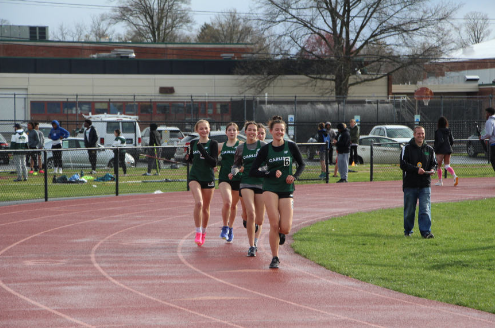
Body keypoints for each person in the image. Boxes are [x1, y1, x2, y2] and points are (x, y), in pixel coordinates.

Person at [250, 115, 305, 269]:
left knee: (285, 227)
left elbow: (301, 165)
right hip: (270, 188)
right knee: (274, 224)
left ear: (284, 132)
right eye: (277, 130)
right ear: (271, 131)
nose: (279, 132)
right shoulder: (265, 149)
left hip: (286, 189)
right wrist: (269, 173)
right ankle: (275, 257)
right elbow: (254, 170)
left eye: (282, 130)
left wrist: (294, 177)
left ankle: (281, 234)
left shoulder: (291, 146)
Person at [230, 121, 266, 257]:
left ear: (257, 132)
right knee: (251, 213)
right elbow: (236, 165)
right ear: (245, 132)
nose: (252, 132)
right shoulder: (240, 148)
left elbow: (270, 164)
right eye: (249, 130)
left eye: (254, 130)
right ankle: (251, 246)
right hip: (246, 182)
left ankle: (256, 240)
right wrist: (233, 171)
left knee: (260, 220)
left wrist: (258, 170)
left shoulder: (263, 146)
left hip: (261, 183)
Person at [400, 126, 437, 239]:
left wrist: (432, 170)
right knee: (410, 210)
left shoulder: (429, 149)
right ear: (414, 134)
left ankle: (426, 232)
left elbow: (434, 163)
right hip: (410, 184)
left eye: (422, 133)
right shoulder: (406, 148)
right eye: (418, 134)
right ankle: (408, 230)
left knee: (425, 209)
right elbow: (403, 164)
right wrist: (416, 170)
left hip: (424, 184)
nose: (420, 136)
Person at [186, 120, 218, 246]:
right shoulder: (193, 143)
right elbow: (192, 160)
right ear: (196, 130)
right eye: (201, 128)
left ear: (209, 129)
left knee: (205, 207)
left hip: (208, 178)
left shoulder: (213, 143)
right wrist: (188, 158)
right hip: (195, 177)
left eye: (206, 128)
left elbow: (213, 162)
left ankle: (204, 232)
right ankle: (198, 232)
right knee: (199, 203)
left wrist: (202, 149)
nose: (204, 131)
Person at [217, 122, 243, 243]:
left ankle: (231, 228)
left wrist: (241, 168)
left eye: (234, 130)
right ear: (226, 132)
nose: (232, 132)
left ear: (238, 132)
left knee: (233, 205)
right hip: (224, 177)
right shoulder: (221, 146)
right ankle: (225, 227)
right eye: (229, 130)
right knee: (227, 202)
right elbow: (211, 158)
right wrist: (213, 166)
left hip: (238, 178)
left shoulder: (242, 145)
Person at [433, 116, 458, 186]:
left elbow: (439, 141)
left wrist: (436, 148)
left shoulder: (438, 131)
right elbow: (452, 140)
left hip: (440, 150)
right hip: (448, 149)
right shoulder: (448, 130)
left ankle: (440, 181)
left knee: (439, 166)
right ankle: (455, 176)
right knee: (447, 165)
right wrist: (449, 146)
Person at [480, 107, 495, 172]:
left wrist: (482, 137)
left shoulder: (489, 121)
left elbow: (489, 133)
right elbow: (486, 130)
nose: (485, 115)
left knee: (493, 160)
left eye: (486, 113)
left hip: (494, 144)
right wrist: (481, 133)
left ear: (489, 113)